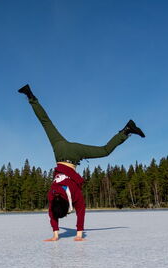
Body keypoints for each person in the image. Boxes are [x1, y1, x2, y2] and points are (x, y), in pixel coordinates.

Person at [18, 84, 145, 241]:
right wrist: (55, 234)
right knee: (46, 123)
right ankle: (30, 96)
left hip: (74, 156)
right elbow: (52, 213)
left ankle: (126, 130)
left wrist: (79, 234)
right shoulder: (52, 194)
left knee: (104, 151)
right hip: (60, 148)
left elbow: (81, 209)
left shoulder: (72, 192)